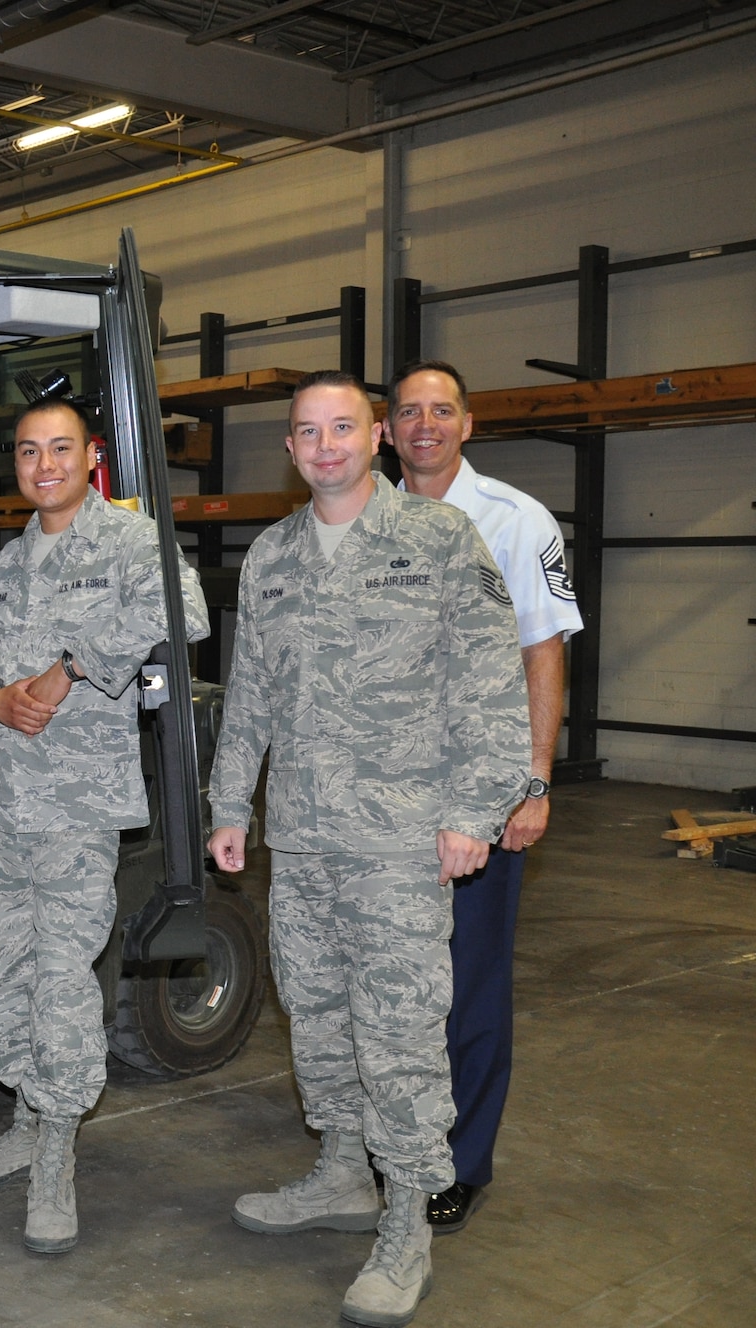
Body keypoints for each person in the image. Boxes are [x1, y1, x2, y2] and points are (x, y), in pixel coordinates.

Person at [207, 371, 528, 1328]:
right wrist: (232, 802)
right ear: (293, 448)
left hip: (398, 839)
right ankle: (343, 1173)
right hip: (302, 839)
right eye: (307, 432)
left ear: (377, 435)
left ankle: (408, 1219)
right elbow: (249, 691)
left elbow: (490, 685)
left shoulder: (437, 540)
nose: (326, 445)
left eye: (343, 427)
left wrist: (476, 810)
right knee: (317, 1015)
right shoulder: (272, 555)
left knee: (398, 1031)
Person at [0, 396, 207, 1255]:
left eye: (59, 450)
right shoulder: (8, 560)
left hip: (76, 808)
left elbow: (185, 611)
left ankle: (57, 1147)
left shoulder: (130, 541)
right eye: (27, 452)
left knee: (61, 977)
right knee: (2, 968)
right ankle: (25, 1115)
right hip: (0, 804)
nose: (43, 465)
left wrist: (67, 670)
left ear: (90, 457)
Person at [388, 360, 581, 1234]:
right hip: (380, 800)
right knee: (389, 981)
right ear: (387, 430)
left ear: (468, 423)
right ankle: (393, 1147)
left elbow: (544, 654)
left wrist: (532, 784)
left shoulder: (516, 520)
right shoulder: (363, 519)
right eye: (408, 413)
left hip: (476, 795)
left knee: (469, 984)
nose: (424, 425)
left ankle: (460, 1163)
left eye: (442, 411)